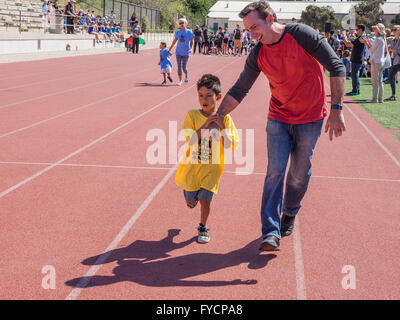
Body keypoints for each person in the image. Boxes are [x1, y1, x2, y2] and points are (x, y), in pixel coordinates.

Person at [211, 1, 346, 251]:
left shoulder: (301, 34)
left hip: (311, 117)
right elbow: (241, 88)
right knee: (275, 172)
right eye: (247, 30)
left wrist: (337, 109)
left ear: (270, 18)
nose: (251, 34)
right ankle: (270, 232)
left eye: (254, 27)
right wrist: (219, 116)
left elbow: (336, 66)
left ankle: (291, 212)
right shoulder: (258, 53)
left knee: (298, 173)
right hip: (279, 118)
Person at [175, 74, 239, 244]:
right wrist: (205, 125)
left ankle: (203, 227)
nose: (204, 99)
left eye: (209, 95)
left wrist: (221, 125)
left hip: (212, 168)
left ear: (218, 97)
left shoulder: (225, 118)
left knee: (205, 200)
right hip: (192, 168)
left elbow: (229, 145)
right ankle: (190, 200)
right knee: (191, 202)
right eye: (201, 95)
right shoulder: (192, 115)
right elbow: (190, 140)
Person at [342, 25, 368, 96]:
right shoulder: (359, 38)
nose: (356, 30)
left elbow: (347, 44)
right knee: (354, 75)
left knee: (354, 75)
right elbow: (349, 43)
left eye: (357, 29)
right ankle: (356, 90)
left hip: (357, 59)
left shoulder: (361, 38)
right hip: (356, 59)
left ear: (361, 30)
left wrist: (344, 35)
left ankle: (355, 90)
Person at [168, 18, 194, 86]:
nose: (181, 24)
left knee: (184, 67)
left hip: (186, 52)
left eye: (182, 23)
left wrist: (191, 48)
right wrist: (170, 49)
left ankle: (186, 75)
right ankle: (180, 81)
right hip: (178, 52)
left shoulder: (189, 32)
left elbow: (192, 41)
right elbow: (175, 40)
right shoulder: (178, 32)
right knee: (179, 67)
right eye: (180, 23)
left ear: (185, 23)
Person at [364, 23, 386, 103]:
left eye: (375, 29)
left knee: (375, 81)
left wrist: (366, 43)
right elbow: (374, 49)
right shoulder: (382, 38)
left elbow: (371, 51)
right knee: (380, 81)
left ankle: (375, 99)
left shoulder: (378, 39)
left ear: (378, 30)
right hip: (380, 62)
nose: (374, 30)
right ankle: (380, 99)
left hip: (376, 62)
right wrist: (368, 42)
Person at [384, 25, 400, 101]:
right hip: (394, 60)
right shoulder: (393, 40)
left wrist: (392, 50)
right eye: (393, 29)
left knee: (390, 77)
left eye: (395, 29)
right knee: (391, 77)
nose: (393, 31)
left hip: (398, 61)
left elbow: (397, 51)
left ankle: (393, 95)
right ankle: (393, 95)